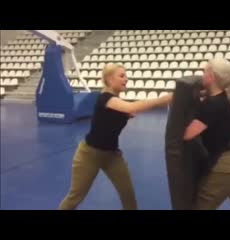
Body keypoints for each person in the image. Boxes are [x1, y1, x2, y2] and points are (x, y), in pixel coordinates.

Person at [59, 63, 172, 210]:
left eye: (126, 75)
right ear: (110, 80)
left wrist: (124, 116)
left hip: (112, 155)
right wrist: (164, 99)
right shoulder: (105, 98)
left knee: (128, 195)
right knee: (75, 197)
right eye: (122, 76)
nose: (126, 79)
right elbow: (131, 107)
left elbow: (123, 111)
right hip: (89, 155)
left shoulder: (116, 102)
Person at [183, 58, 230, 210]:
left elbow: (187, 134)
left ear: (210, 77)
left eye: (204, 72)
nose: (201, 75)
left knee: (200, 206)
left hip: (229, 163)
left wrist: (181, 104)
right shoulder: (225, 96)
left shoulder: (212, 105)